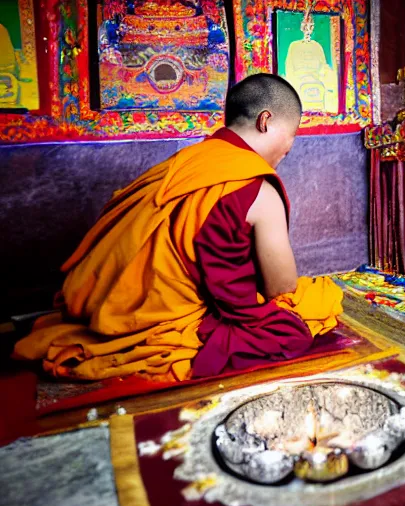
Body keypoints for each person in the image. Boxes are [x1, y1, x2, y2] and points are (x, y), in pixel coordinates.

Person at [13, 73, 343, 381]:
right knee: (309, 311)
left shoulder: (186, 162)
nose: (290, 147)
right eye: (293, 134)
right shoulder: (256, 186)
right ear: (265, 121)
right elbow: (280, 288)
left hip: (127, 305)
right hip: (179, 317)